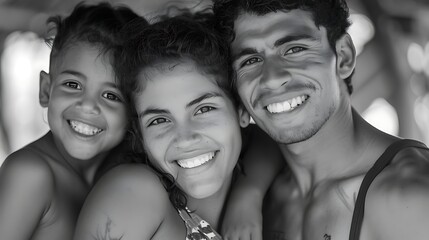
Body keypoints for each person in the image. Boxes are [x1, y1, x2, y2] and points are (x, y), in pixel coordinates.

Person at [213, 0, 429, 240]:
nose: (272, 79)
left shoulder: (411, 197)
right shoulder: (250, 185)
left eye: (294, 49)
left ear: (343, 56)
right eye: (250, 61)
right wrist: (248, 193)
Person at [73, 11, 283, 240]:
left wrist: (247, 195)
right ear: (140, 136)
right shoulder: (135, 193)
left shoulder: (261, 179)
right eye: (159, 120)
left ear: (241, 110)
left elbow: (268, 140)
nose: (185, 137)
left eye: (204, 109)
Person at [0, 3, 140, 240]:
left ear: (134, 113)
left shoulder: (122, 173)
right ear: (46, 90)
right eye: (73, 85)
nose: (87, 106)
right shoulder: (30, 173)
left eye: (111, 96)